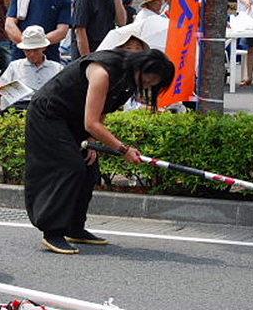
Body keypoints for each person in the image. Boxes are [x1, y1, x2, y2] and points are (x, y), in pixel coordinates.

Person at [25, 49, 174, 254]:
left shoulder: (128, 80)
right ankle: (53, 232)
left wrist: (92, 140)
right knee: (70, 166)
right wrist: (123, 149)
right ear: (142, 67)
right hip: (49, 114)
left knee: (89, 168)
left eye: (157, 82)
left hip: (74, 119)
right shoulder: (102, 71)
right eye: (152, 78)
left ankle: (74, 227)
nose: (151, 84)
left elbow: (101, 110)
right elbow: (91, 122)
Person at [0, 26, 63, 111]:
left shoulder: (57, 68)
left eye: (35, 50)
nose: (32, 54)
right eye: (28, 51)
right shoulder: (15, 67)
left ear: (43, 48)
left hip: (46, 110)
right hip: (20, 109)